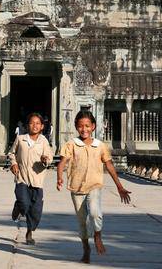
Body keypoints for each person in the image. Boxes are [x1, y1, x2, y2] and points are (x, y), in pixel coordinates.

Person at [56, 110, 132, 264]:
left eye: (87, 126)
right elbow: (62, 162)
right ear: (76, 127)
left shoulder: (100, 146)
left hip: (94, 185)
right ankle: (86, 248)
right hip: (76, 188)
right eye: (80, 126)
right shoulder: (71, 144)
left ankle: (98, 235)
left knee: (95, 213)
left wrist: (119, 186)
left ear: (93, 127)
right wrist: (59, 177)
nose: (84, 129)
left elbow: (109, 165)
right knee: (82, 222)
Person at [8, 112, 54, 245]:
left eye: (38, 123)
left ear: (42, 126)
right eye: (32, 123)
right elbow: (11, 153)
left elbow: (49, 158)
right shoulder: (20, 138)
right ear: (27, 125)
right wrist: (14, 163)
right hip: (22, 178)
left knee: (36, 211)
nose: (35, 125)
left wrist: (45, 160)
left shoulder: (44, 141)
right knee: (24, 203)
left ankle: (29, 232)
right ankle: (18, 206)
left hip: (37, 180)